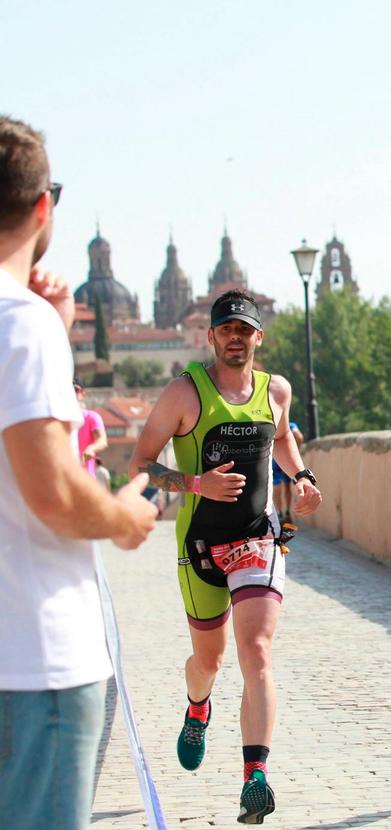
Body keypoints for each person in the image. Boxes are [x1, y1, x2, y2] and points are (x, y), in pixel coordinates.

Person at [0, 114, 157, 830]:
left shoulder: (31, 325)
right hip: (36, 662)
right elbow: (56, 496)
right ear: (42, 208)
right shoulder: (20, 323)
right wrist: (128, 516)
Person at [130, 289, 322, 825]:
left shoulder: (275, 390)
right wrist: (195, 482)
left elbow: (282, 439)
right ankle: (198, 707)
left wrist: (302, 476)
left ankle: (254, 777)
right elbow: (140, 464)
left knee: (256, 650)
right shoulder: (183, 393)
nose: (235, 337)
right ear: (210, 337)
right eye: (226, 329)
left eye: (245, 329)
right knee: (208, 662)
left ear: (259, 337)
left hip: (258, 539)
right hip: (200, 548)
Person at [270, 421, 304, 524]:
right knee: (287, 486)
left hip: (275, 460)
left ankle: (279, 513)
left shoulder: (271, 423)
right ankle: (287, 511)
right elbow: (299, 436)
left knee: (276, 485)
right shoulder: (290, 425)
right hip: (287, 460)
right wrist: (294, 451)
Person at [74, 377, 107, 476]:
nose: (71, 393)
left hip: (86, 479)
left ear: (82, 394)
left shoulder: (91, 417)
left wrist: (91, 449)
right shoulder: (57, 420)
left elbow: (102, 441)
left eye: (75, 390)